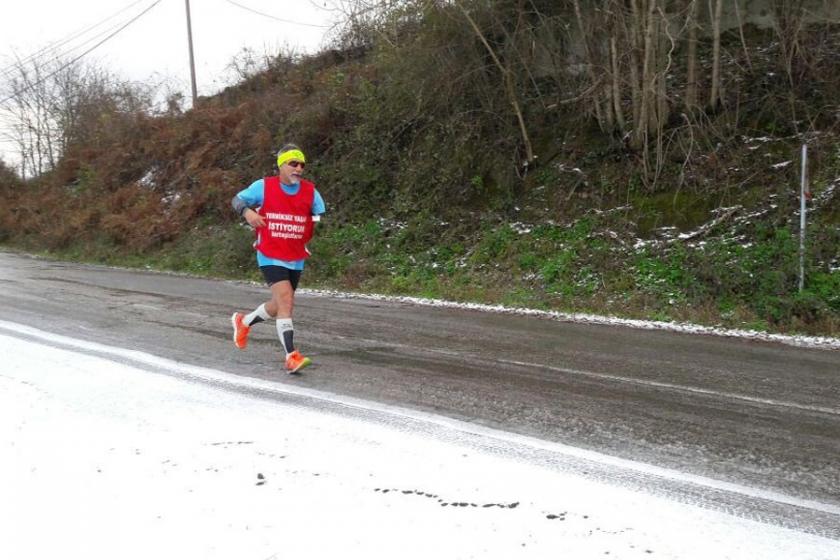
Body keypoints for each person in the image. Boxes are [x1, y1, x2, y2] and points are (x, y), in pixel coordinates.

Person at [230, 144, 326, 373]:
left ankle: (243, 322)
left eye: (302, 164)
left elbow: (318, 214)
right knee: (287, 301)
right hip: (270, 253)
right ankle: (291, 356)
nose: (299, 168)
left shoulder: (311, 191)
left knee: (279, 304)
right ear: (281, 165)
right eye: (293, 163)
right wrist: (248, 212)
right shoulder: (263, 187)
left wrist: (310, 225)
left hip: (295, 255)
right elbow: (236, 200)